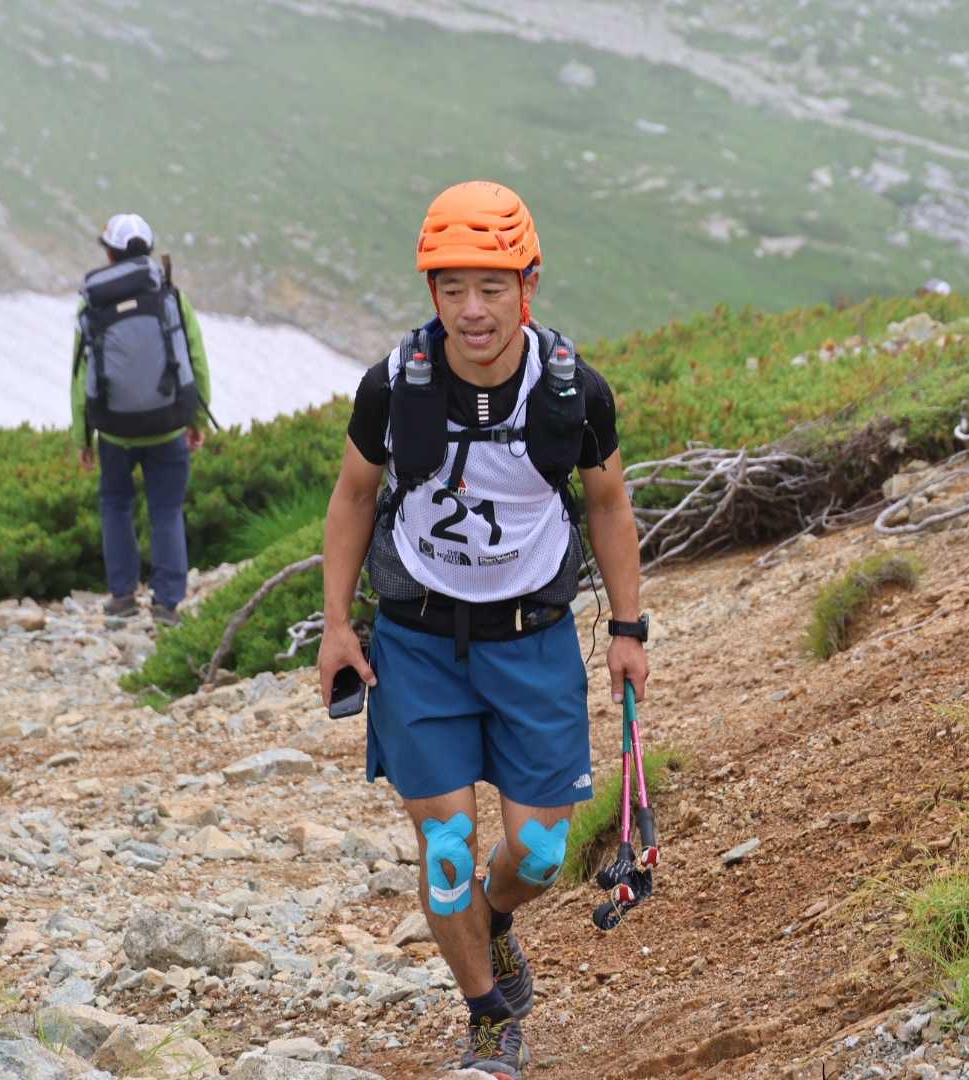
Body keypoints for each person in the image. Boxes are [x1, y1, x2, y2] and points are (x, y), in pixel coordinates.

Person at [318, 181, 650, 1077]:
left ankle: (493, 919)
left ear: (528, 286)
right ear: (432, 290)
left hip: (532, 638)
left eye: (492, 287)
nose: (472, 309)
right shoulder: (394, 386)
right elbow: (354, 497)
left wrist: (628, 629)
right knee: (446, 848)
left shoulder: (574, 392)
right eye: (453, 287)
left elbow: (609, 506)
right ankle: (488, 1019)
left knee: (538, 852)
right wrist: (337, 624)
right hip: (417, 642)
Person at [71, 213, 211, 626]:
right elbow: (195, 358)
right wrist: (197, 419)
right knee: (166, 510)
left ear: (110, 254)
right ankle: (166, 604)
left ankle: (123, 597)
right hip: (168, 426)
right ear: (147, 250)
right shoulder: (169, 295)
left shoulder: (92, 301)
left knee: (116, 506)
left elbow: (80, 375)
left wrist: (83, 437)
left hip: (115, 432)